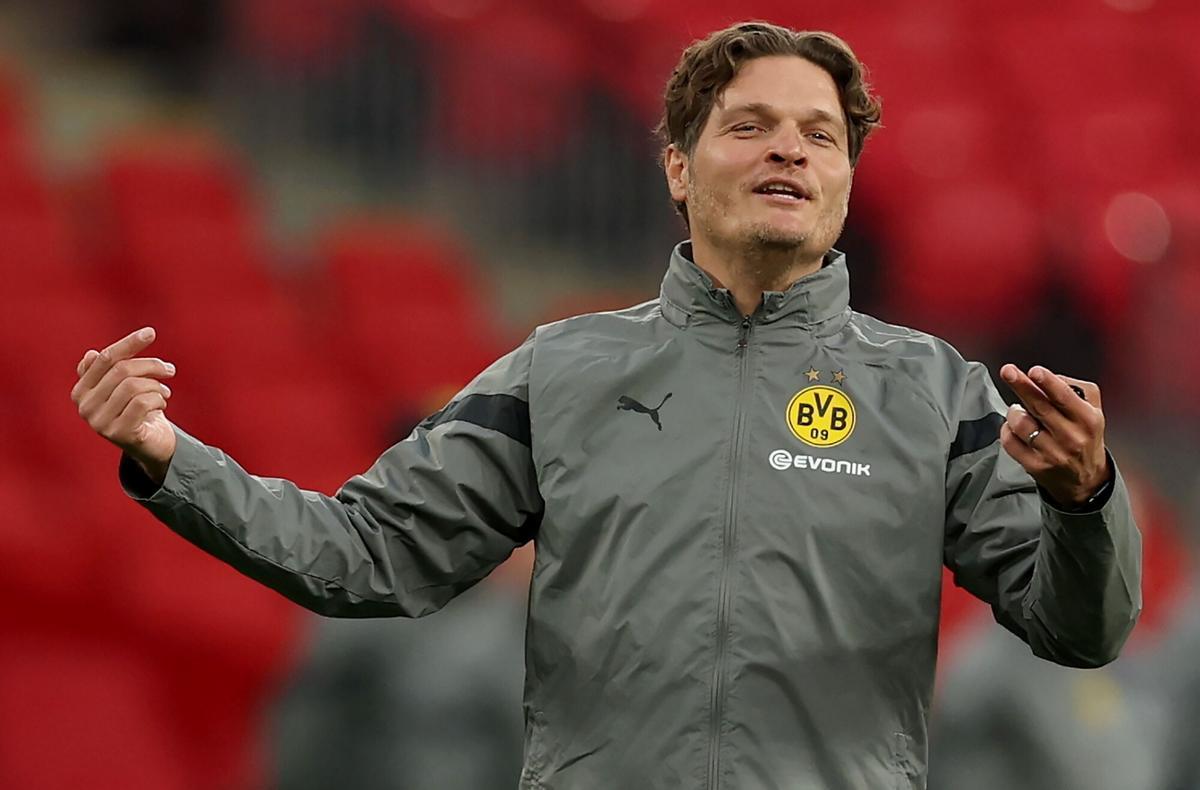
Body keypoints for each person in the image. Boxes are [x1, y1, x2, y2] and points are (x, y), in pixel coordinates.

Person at [71, 22, 1141, 790]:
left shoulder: (936, 393)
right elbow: (366, 553)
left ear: (848, 179)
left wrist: (1084, 502)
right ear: (678, 167)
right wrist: (171, 457)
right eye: (752, 125)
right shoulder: (563, 371)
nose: (790, 150)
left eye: (821, 135)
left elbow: (1080, 631)